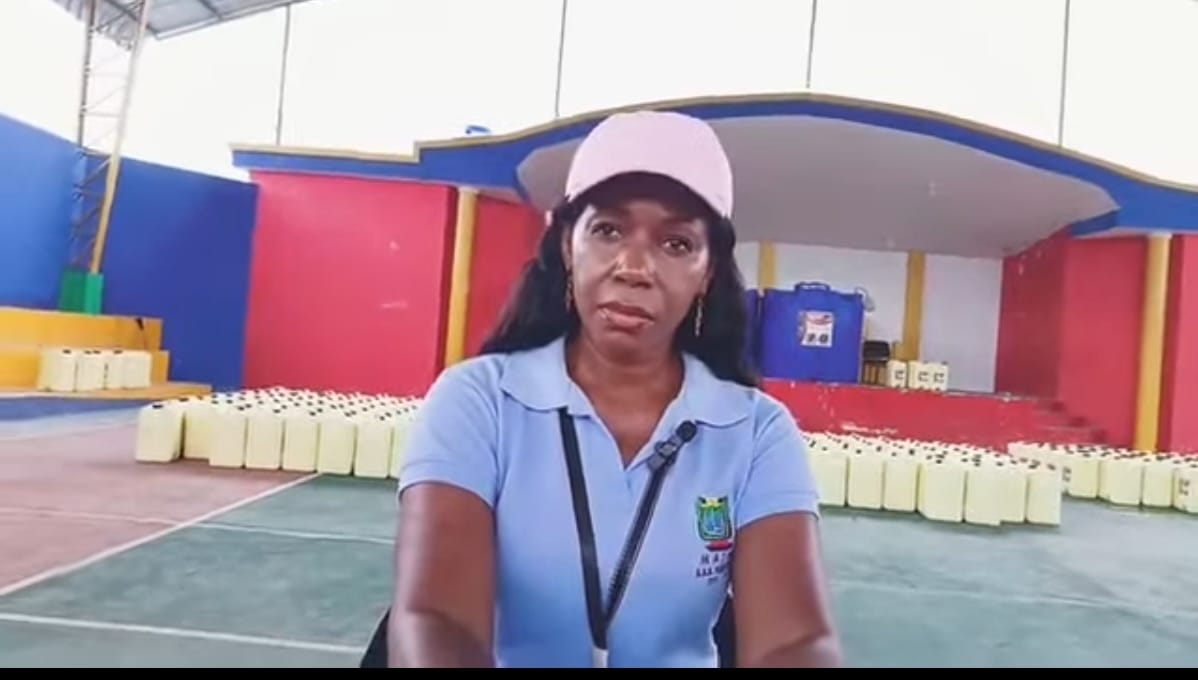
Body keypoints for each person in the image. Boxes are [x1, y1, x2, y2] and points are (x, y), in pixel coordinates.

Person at [388, 110, 842, 668]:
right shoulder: (479, 403)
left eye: (676, 243)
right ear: (566, 245)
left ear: (707, 273)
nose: (634, 267)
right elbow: (436, 618)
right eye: (607, 230)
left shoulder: (757, 433)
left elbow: (794, 642)